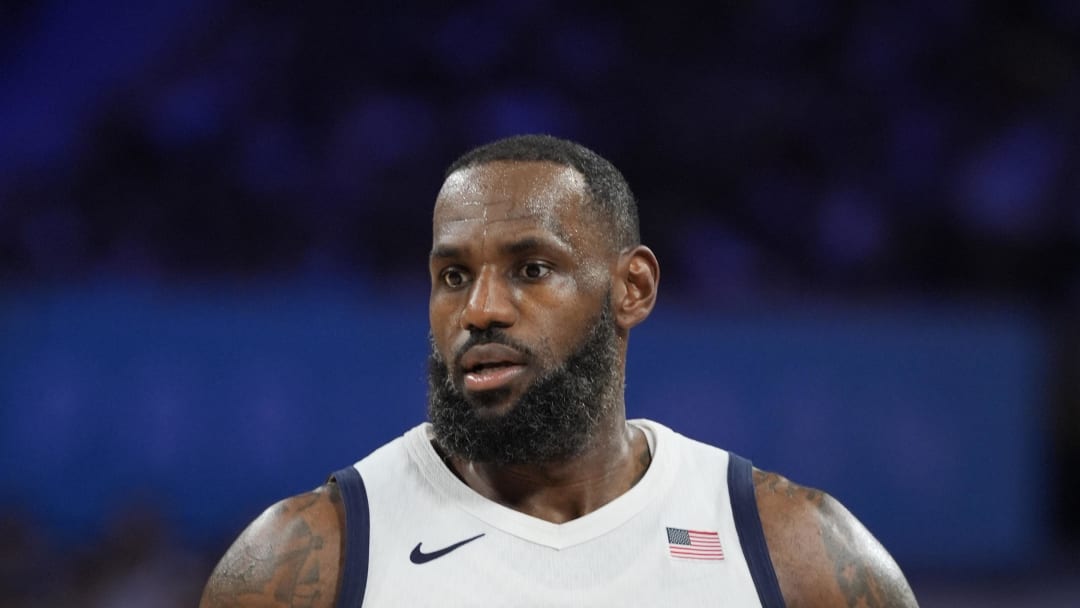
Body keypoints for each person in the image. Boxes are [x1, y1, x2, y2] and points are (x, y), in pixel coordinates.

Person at [199, 134, 919, 607]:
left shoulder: (791, 550)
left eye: (531, 269)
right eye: (453, 275)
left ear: (631, 288)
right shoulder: (306, 563)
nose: (480, 309)